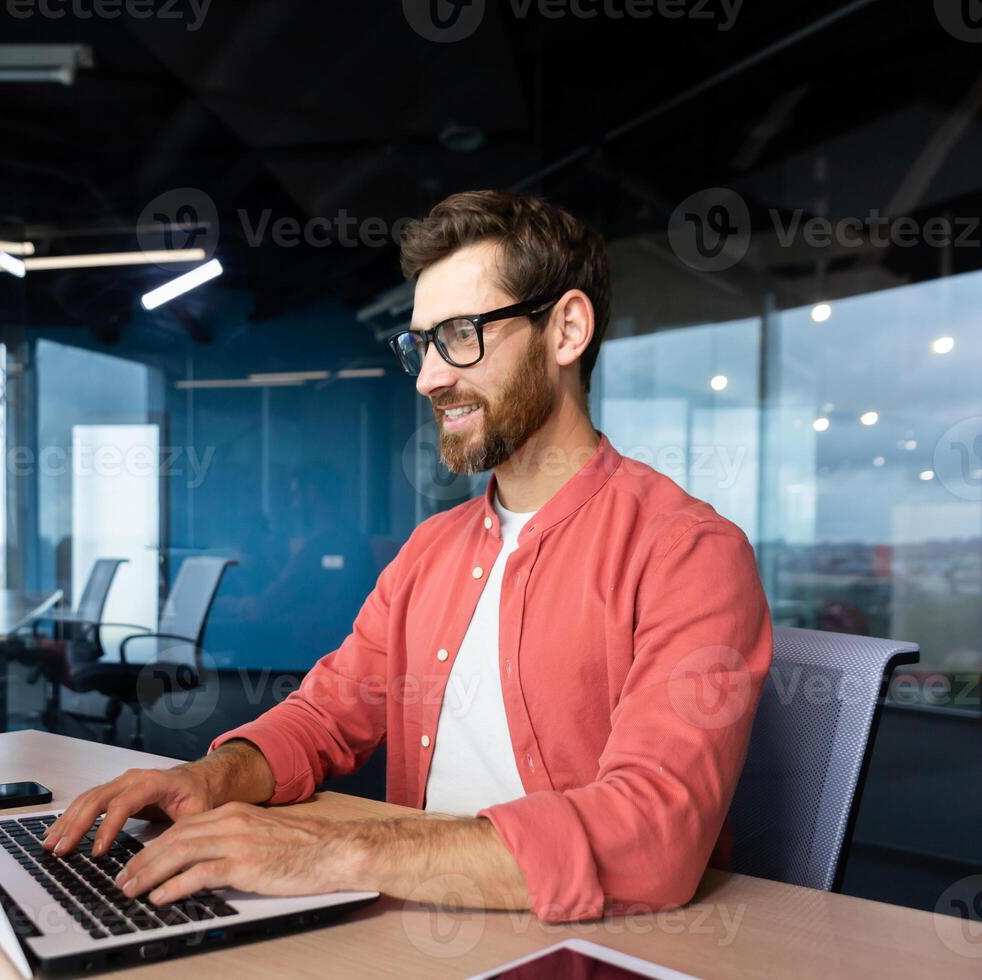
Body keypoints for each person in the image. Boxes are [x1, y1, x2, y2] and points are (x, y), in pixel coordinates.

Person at [42, 190, 772, 921]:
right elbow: (327, 716)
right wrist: (210, 779)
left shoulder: (690, 554)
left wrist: (334, 852)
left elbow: (653, 836)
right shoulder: (432, 548)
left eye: (460, 334)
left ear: (567, 329)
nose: (428, 378)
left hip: (578, 941)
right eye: (422, 343)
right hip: (415, 924)